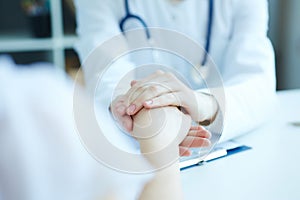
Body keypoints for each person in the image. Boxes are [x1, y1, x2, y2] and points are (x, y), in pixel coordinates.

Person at [74, 0, 277, 152]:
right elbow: (106, 69)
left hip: (224, 143)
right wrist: (129, 106)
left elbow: (257, 81)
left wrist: (202, 104)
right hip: (139, 142)